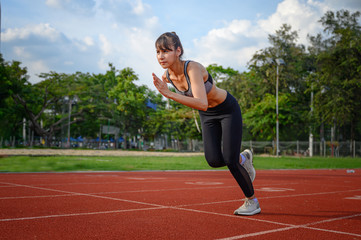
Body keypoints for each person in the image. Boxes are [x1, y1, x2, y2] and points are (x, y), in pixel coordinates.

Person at [152, 32, 260, 216]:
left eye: (166, 51)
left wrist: (169, 94)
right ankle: (244, 159)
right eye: (157, 52)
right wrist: (167, 90)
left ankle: (252, 201)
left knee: (230, 160)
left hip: (227, 109)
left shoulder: (192, 68)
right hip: (207, 114)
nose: (161, 56)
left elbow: (201, 101)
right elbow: (202, 107)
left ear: (178, 51)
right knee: (214, 160)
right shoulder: (168, 76)